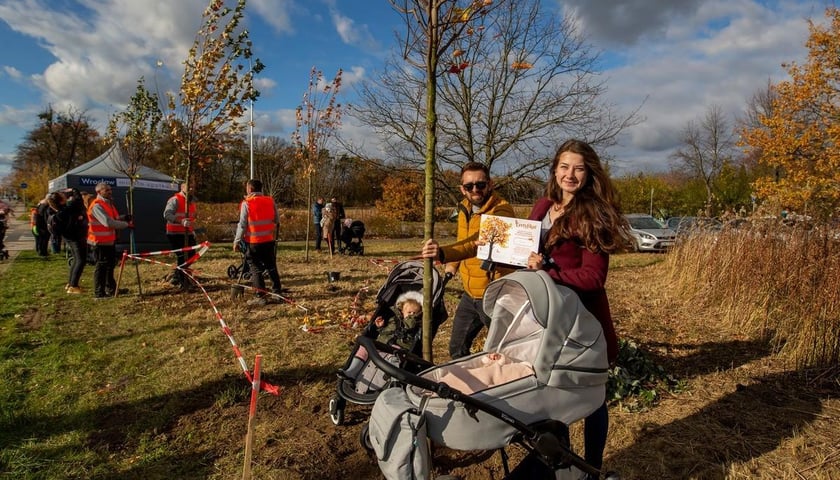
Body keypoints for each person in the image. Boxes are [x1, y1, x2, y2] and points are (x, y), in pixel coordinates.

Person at [525, 139, 632, 478]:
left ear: (589, 174)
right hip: (548, 318)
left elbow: (594, 277)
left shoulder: (593, 214)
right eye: (564, 167)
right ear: (554, 170)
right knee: (553, 395)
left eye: (579, 168)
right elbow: (527, 249)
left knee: (592, 397)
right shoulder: (543, 206)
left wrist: (547, 272)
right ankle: (564, 464)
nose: (570, 175)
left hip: (582, 321)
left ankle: (593, 469)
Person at [420, 162, 516, 359]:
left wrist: (443, 253)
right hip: (470, 293)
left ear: (490, 184)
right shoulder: (464, 208)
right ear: (462, 189)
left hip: (494, 294)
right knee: (457, 348)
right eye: (469, 186)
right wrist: (453, 265)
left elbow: (476, 243)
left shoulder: (501, 211)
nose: (475, 190)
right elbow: (462, 240)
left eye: (480, 184)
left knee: (504, 351)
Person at [341, 291, 424, 378]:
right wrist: (380, 326)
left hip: (397, 348)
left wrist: (414, 318)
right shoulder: (393, 319)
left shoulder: (416, 324)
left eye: (415, 313)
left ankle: (391, 378)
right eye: (409, 312)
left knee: (395, 358)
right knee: (364, 347)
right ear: (402, 311)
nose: (412, 315)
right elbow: (385, 331)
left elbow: (410, 325)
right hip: (382, 343)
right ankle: (352, 371)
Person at [233, 179, 282, 306]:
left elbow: (242, 224)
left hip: (253, 242)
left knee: (255, 268)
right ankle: (277, 293)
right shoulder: (270, 201)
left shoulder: (247, 203)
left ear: (250, 189)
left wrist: (237, 241)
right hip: (269, 240)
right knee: (271, 266)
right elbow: (277, 220)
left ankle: (260, 295)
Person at [87, 182, 132, 299]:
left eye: (110, 189)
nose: (110, 192)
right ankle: (99, 293)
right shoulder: (97, 205)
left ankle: (111, 289)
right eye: (106, 190)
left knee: (110, 266)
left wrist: (123, 217)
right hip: (99, 242)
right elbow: (108, 222)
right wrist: (126, 224)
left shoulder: (108, 203)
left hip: (109, 241)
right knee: (101, 266)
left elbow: (114, 218)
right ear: (99, 192)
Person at [48, 189, 88, 294]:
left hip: (69, 237)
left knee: (76, 259)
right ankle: (73, 286)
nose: (65, 195)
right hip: (76, 237)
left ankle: (71, 283)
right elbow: (79, 200)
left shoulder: (60, 211)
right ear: (61, 201)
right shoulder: (67, 209)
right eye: (62, 195)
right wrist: (74, 190)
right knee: (80, 260)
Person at [163, 182, 197, 288]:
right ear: (182, 188)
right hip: (175, 233)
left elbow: (192, 218)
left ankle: (177, 275)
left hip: (187, 233)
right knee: (182, 257)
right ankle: (182, 281)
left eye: (193, 187)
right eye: (189, 187)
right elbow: (167, 214)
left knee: (192, 255)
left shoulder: (192, 202)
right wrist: (181, 221)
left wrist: (192, 230)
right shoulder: (175, 200)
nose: (191, 189)